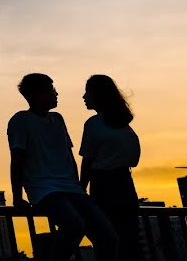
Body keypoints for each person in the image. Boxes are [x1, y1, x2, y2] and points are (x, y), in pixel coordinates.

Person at [8, 73, 118, 261]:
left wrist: (78, 186)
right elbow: (17, 159)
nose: (56, 94)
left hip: (72, 189)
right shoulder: (21, 120)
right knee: (74, 226)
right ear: (35, 94)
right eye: (50, 90)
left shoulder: (58, 119)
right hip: (44, 190)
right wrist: (17, 197)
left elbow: (68, 156)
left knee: (109, 236)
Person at [79, 75, 141, 260]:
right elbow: (133, 159)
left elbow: (87, 161)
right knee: (128, 239)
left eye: (87, 92)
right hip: (126, 185)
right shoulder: (124, 127)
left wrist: (81, 189)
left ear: (97, 95)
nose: (84, 97)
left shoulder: (94, 124)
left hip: (103, 186)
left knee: (106, 239)